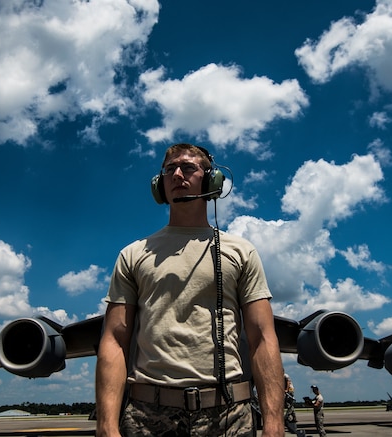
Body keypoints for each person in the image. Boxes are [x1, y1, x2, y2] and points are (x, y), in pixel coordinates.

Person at [95, 143, 285, 436]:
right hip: (149, 416)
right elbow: (114, 339)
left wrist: (273, 422)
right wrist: (107, 426)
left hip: (228, 416)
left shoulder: (241, 252)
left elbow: (262, 338)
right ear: (159, 184)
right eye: (169, 169)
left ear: (212, 181)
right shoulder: (133, 255)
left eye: (188, 168)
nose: (177, 175)